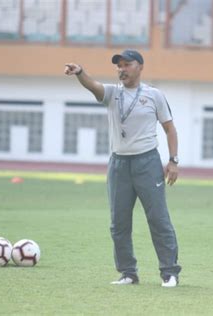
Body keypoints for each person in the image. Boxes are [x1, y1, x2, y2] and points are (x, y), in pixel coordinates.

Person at [64, 49, 182, 287]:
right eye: (118, 65)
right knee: (119, 223)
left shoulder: (154, 95)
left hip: (147, 162)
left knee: (158, 219)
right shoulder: (112, 93)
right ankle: (128, 273)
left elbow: (170, 128)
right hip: (118, 164)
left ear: (139, 67)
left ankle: (169, 272)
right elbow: (93, 86)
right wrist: (80, 73)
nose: (121, 69)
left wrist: (173, 161)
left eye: (126, 64)